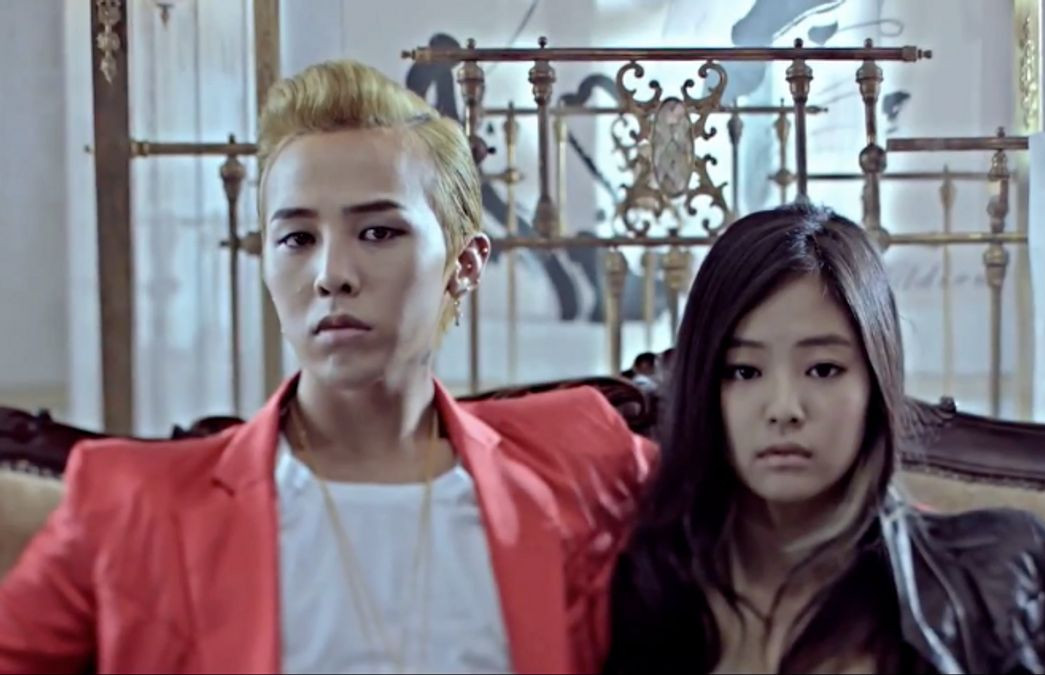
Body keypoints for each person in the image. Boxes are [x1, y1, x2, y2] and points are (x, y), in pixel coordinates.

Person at [0, 60, 654, 674]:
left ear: (464, 264)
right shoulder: (131, 502)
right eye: (297, 238)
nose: (332, 274)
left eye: (378, 232)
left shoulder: (581, 458)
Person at [604, 201, 1045, 674]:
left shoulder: (996, 578)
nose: (784, 409)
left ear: (875, 382)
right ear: (702, 386)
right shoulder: (647, 588)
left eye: (823, 369)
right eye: (743, 371)